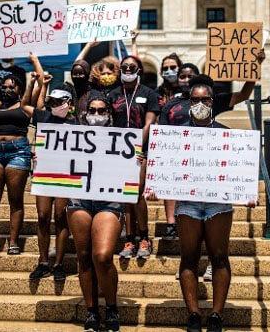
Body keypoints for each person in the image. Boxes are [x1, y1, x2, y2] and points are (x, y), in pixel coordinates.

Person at [161, 75, 255, 332]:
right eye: (195, 99)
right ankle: (193, 314)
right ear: (188, 102)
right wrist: (155, 187)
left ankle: (216, 314)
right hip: (188, 203)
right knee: (188, 258)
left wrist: (247, 192)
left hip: (218, 204)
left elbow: (239, 167)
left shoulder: (225, 132)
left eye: (205, 99)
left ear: (213, 102)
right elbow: (166, 166)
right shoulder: (178, 134)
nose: (200, 103)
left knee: (219, 257)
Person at [67, 91, 129, 332]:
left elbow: (133, 179)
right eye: (92, 111)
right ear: (84, 114)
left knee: (102, 256)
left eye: (102, 111)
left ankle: (112, 306)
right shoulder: (71, 137)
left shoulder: (122, 139)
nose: (96, 115)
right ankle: (92, 311)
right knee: (83, 257)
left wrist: (138, 165)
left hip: (108, 202)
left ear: (110, 115)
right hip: (79, 200)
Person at [0, 52, 43, 257]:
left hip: (18, 152)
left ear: (19, 89)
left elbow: (40, 82)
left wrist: (34, 61)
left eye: (11, 86)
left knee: (15, 200)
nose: (6, 89)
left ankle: (13, 241)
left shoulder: (25, 105)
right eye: (4, 87)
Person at [108, 55, 159, 259]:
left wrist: (136, 146)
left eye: (132, 67)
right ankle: (129, 239)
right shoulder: (113, 94)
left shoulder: (149, 94)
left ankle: (144, 238)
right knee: (124, 196)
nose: (128, 69)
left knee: (136, 193)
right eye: (124, 67)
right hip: (117, 151)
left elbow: (149, 122)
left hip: (140, 151)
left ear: (139, 70)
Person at [29, 76, 75, 282]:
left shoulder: (77, 123)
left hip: (66, 173)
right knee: (42, 216)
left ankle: (58, 263)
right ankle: (43, 261)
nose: (54, 106)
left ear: (68, 103)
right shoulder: (43, 118)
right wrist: (41, 84)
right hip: (45, 171)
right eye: (52, 102)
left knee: (61, 217)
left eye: (58, 102)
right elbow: (25, 106)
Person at [156, 53, 184, 240]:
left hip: (189, 142)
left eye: (173, 67)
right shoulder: (158, 93)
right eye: (165, 68)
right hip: (168, 144)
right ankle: (171, 223)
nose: (169, 71)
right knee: (169, 184)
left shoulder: (190, 91)